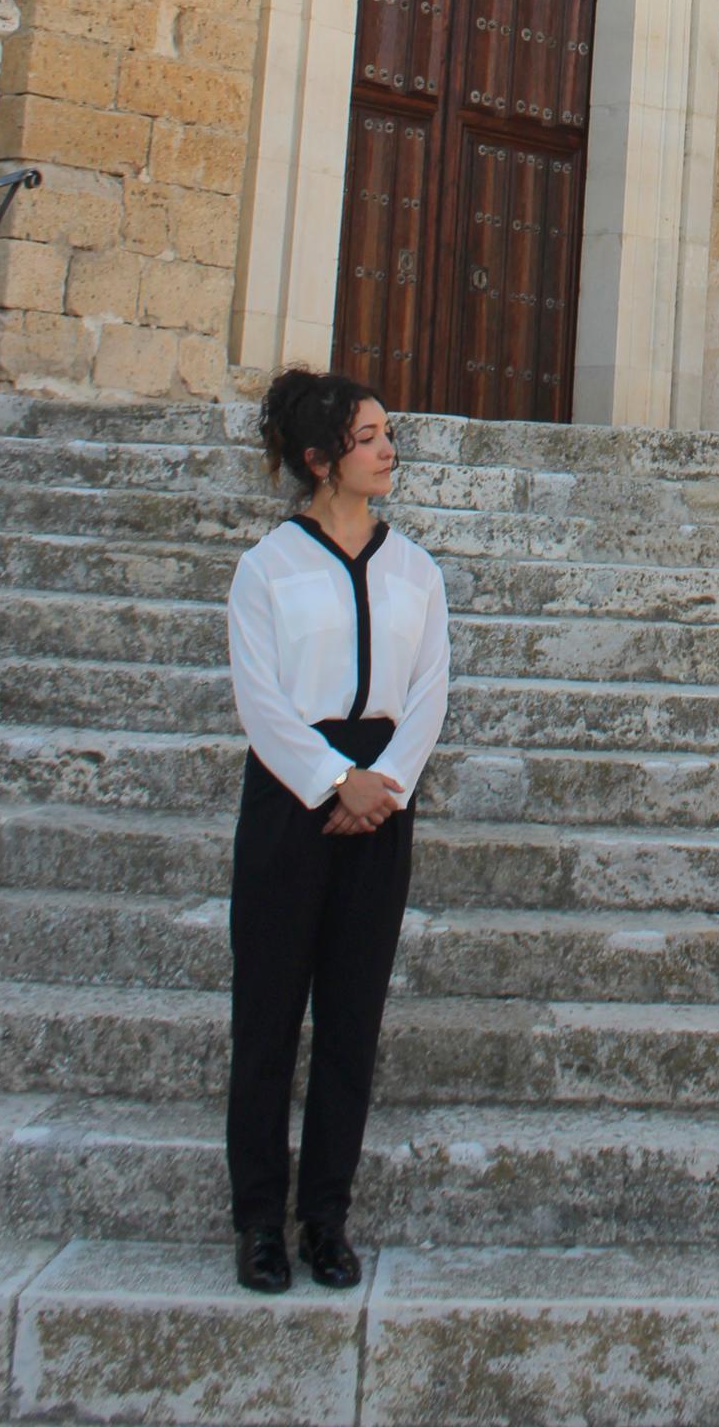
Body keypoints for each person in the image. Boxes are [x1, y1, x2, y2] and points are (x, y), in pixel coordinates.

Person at [224, 369, 450, 1295]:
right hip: (292, 798)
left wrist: (384, 781)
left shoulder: (416, 570)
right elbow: (260, 700)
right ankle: (256, 1223)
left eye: (388, 433)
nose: (389, 449)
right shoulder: (267, 568)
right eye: (370, 437)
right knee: (269, 1019)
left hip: (383, 804)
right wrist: (332, 780)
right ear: (321, 458)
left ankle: (325, 1217)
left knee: (352, 1021)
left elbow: (430, 690)